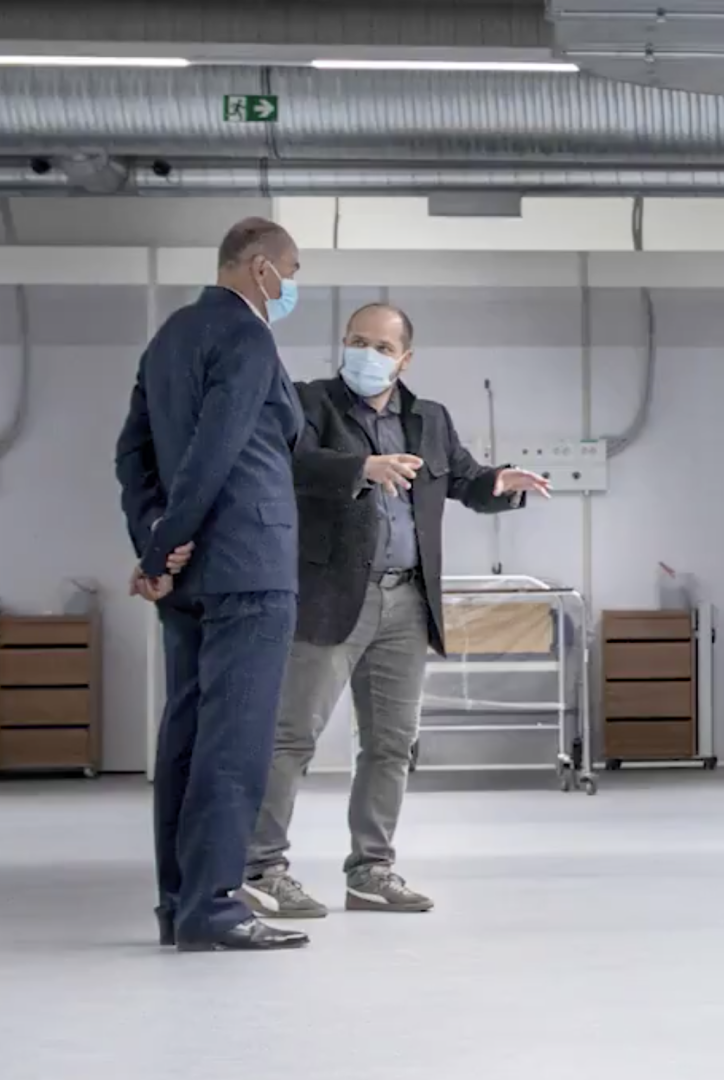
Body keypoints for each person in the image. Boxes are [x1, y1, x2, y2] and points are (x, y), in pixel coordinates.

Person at [241, 302, 551, 919]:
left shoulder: (429, 418)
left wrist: (497, 484)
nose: (367, 355)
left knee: (390, 744)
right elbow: (284, 463)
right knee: (291, 737)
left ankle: (371, 871)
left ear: (404, 359)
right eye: (357, 342)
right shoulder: (309, 403)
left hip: (407, 600)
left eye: (381, 347)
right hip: (332, 596)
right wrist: (361, 467)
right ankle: (261, 869)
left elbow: (462, 479)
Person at [113, 217, 310, 952]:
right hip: (249, 565)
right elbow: (216, 449)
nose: (290, 286)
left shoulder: (169, 338)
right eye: (290, 271)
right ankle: (216, 907)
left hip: (190, 577)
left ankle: (180, 905)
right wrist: (165, 545)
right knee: (236, 741)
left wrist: (155, 544)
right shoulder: (248, 337)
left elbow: (132, 455)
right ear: (260, 268)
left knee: (187, 737)